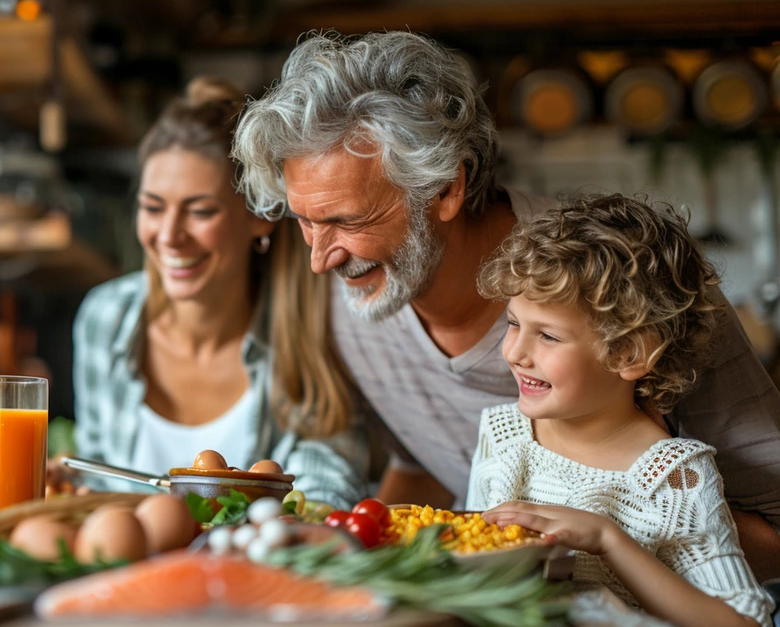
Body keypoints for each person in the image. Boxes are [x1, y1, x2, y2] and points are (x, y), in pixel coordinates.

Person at [232, 30, 780, 578]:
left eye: (347, 222)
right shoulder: (353, 302)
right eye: (304, 221)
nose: (320, 260)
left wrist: (603, 525)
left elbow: (774, 535)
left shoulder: (621, 280)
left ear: (445, 189)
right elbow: (429, 471)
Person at [467, 194, 773, 627]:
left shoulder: (673, 478)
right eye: (513, 324)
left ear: (630, 354)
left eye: (547, 336)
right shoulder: (502, 435)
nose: (516, 353)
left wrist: (609, 539)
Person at [68, 76, 369, 509]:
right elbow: (95, 478)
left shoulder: (314, 328)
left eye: (200, 211)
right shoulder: (105, 317)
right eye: (152, 207)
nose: (169, 236)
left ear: (260, 217)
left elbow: (327, 485)